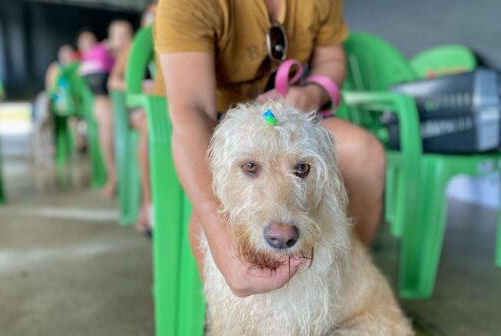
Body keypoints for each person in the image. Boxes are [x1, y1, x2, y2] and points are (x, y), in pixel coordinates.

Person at [154, 0, 386, 297]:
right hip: (217, 124)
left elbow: (332, 60)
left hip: (291, 119)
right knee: (203, 221)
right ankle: (228, 315)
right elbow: (193, 109)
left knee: (364, 154)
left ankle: (338, 292)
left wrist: (312, 94)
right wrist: (222, 238)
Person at [108, 5, 157, 233]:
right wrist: (140, 89)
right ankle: (148, 202)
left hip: (166, 105)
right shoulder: (137, 43)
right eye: (152, 16)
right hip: (140, 107)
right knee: (151, 130)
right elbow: (113, 81)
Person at [79, 21, 133, 197]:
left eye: (125, 34)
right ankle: (113, 174)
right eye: (117, 35)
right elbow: (100, 85)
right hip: (109, 103)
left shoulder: (136, 50)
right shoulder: (101, 54)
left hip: (130, 105)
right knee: (103, 112)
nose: (122, 39)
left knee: (106, 113)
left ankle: (117, 176)